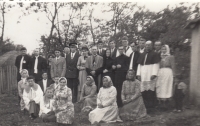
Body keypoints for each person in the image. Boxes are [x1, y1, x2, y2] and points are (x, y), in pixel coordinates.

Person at [137, 41, 160, 111]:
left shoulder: (155, 54)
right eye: (146, 45)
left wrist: (154, 74)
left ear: (151, 46)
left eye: (149, 45)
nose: (147, 46)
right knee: (143, 91)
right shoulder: (142, 54)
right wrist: (138, 74)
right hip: (143, 74)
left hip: (150, 73)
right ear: (145, 46)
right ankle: (145, 107)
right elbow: (139, 65)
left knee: (151, 91)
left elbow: (156, 65)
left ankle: (151, 108)